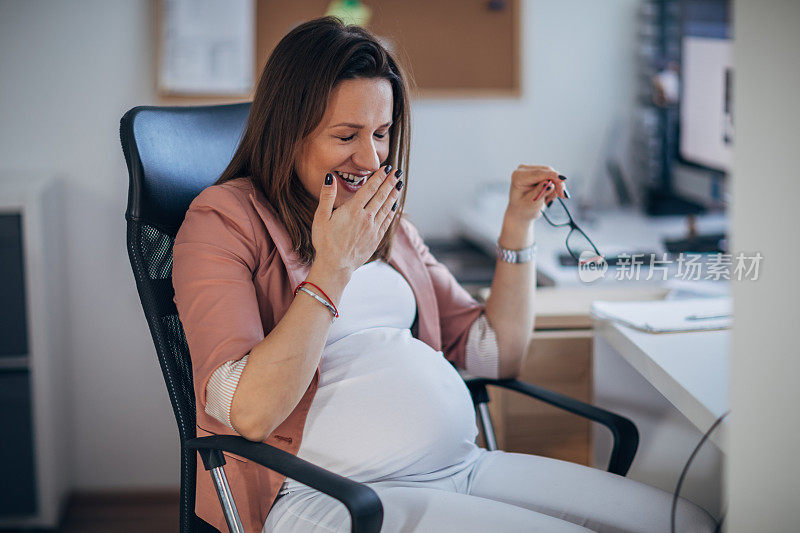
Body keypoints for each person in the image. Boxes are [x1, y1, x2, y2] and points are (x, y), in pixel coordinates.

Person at [172, 16, 716, 533]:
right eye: (346, 136)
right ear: (287, 132)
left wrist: (517, 228)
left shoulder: (388, 227)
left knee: (688, 523)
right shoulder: (223, 220)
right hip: (329, 494)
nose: (371, 158)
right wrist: (333, 267)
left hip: (461, 466)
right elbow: (247, 411)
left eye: (382, 134)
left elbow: (493, 354)